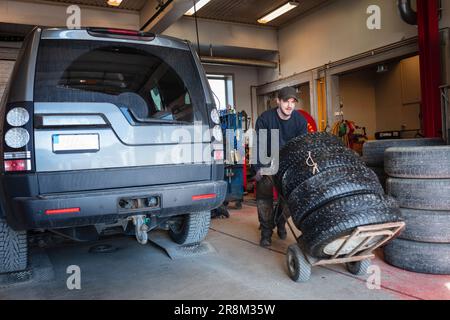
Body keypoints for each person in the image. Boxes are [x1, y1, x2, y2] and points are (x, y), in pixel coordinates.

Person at [254, 86, 308, 247]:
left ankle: (280, 221)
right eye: (286, 101)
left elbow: (302, 148)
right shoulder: (265, 119)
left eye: (293, 102)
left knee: (292, 199)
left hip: (289, 164)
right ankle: (266, 231)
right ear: (277, 101)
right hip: (269, 161)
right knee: (264, 195)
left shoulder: (299, 120)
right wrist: (258, 168)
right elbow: (260, 145)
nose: (289, 105)